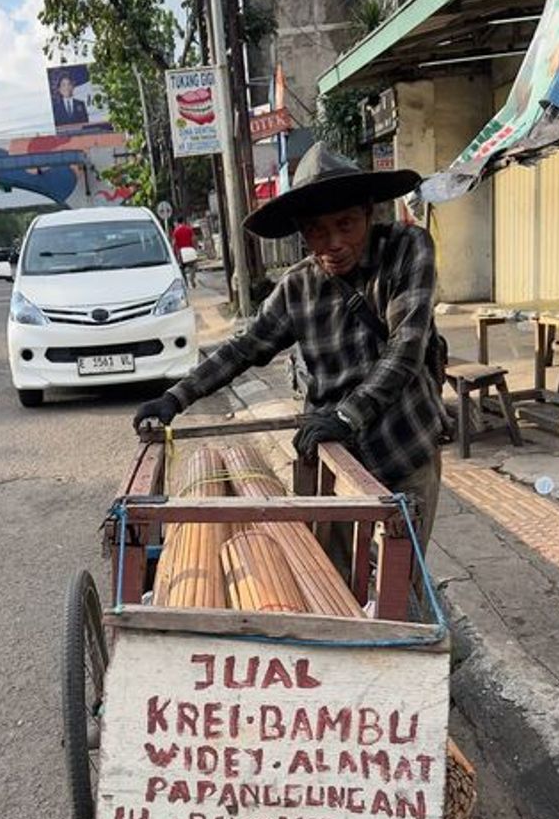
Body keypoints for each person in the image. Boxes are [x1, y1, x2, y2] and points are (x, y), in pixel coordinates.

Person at [134, 141, 450, 584]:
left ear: (368, 213)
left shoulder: (406, 248)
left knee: (400, 586)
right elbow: (244, 348)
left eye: (346, 225)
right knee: (331, 581)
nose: (334, 243)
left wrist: (347, 415)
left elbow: (407, 347)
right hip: (332, 456)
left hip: (403, 444)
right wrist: (175, 398)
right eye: (318, 232)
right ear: (303, 234)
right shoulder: (297, 286)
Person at [171, 215, 197, 287]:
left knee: (182, 268)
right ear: (183, 221)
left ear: (177, 222)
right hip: (190, 249)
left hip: (181, 252)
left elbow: (174, 243)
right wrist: (195, 248)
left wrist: (174, 253)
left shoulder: (175, 231)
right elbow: (194, 239)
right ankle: (191, 278)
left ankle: (185, 282)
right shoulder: (189, 229)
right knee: (193, 266)